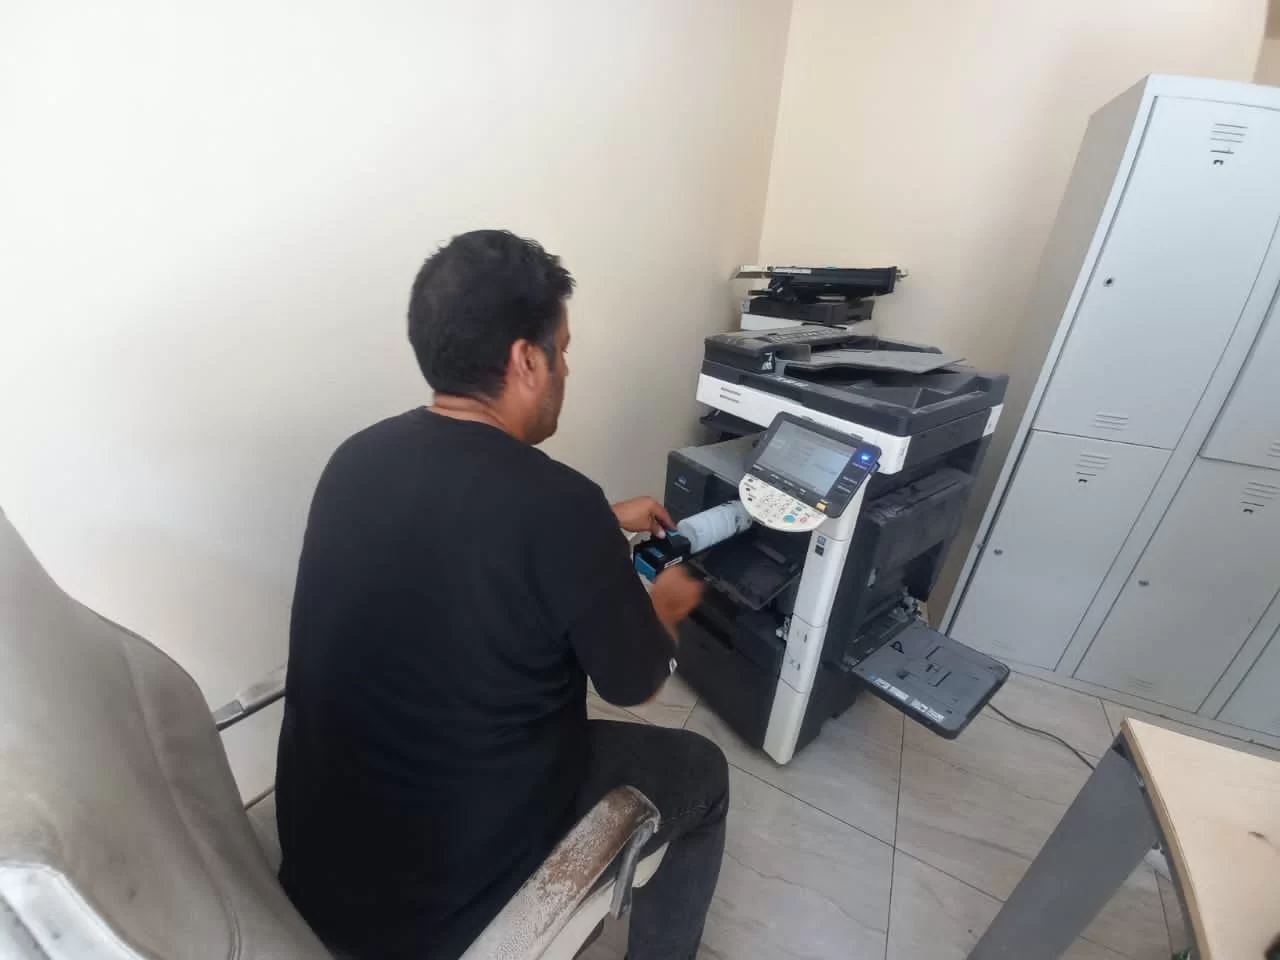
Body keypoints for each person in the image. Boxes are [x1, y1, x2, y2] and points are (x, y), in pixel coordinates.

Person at [275, 229, 729, 960]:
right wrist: (666, 607)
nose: (566, 368)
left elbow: (457, 534)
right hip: (442, 913)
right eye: (563, 349)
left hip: (320, 880)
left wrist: (598, 524)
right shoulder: (560, 506)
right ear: (526, 360)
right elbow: (634, 682)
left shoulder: (355, 459)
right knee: (704, 773)